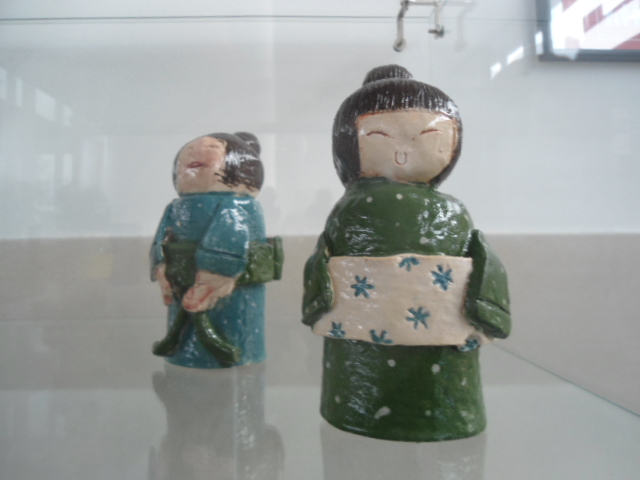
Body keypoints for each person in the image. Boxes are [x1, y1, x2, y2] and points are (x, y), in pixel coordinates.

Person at [302, 65, 511, 441]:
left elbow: (478, 254)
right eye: (379, 137)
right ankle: (363, 409)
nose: (402, 151)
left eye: (427, 137)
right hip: (362, 329)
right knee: (364, 379)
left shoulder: (453, 210)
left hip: (444, 330)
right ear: (349, 146)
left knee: (440, 386)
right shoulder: (352, 208)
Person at [151, 132, 282, 369]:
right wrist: (160, 265)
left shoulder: (239, 205)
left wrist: (215, 271)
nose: (194, 153)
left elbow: (230, 234)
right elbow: (161, 239)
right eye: (188, 151)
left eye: (211, 148)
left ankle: (232, 352)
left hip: (230, 287)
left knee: (232, 326)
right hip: (181, 281)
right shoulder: (176, 207)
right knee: (186, 323)